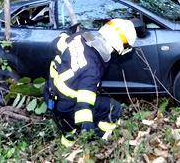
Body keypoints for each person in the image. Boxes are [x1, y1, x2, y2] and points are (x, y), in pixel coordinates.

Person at [44, 18, 137, 147]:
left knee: (68, 130)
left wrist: (68, 32)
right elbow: (84, 102)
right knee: (114, 108)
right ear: (120, 45)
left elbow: (56, 44)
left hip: (50, 94)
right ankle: (101, 137)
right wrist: (87, 129)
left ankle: (66, 145)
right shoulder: (93, 67)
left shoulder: (78, 37)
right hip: (67, 105)